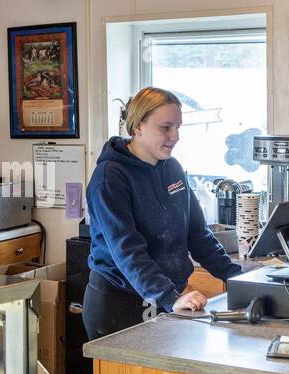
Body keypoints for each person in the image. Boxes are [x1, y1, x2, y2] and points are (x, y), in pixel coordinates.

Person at [83, 87, 242, 340]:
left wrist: (239, 277)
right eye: (166, 128)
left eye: (178, 127)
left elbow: (197, 235)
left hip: (166, 298)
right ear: (138, 127)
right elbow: (128, 251)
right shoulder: (110, 177)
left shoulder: (173, 168)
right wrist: (169, 298)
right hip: (119, 304)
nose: (175, 136)